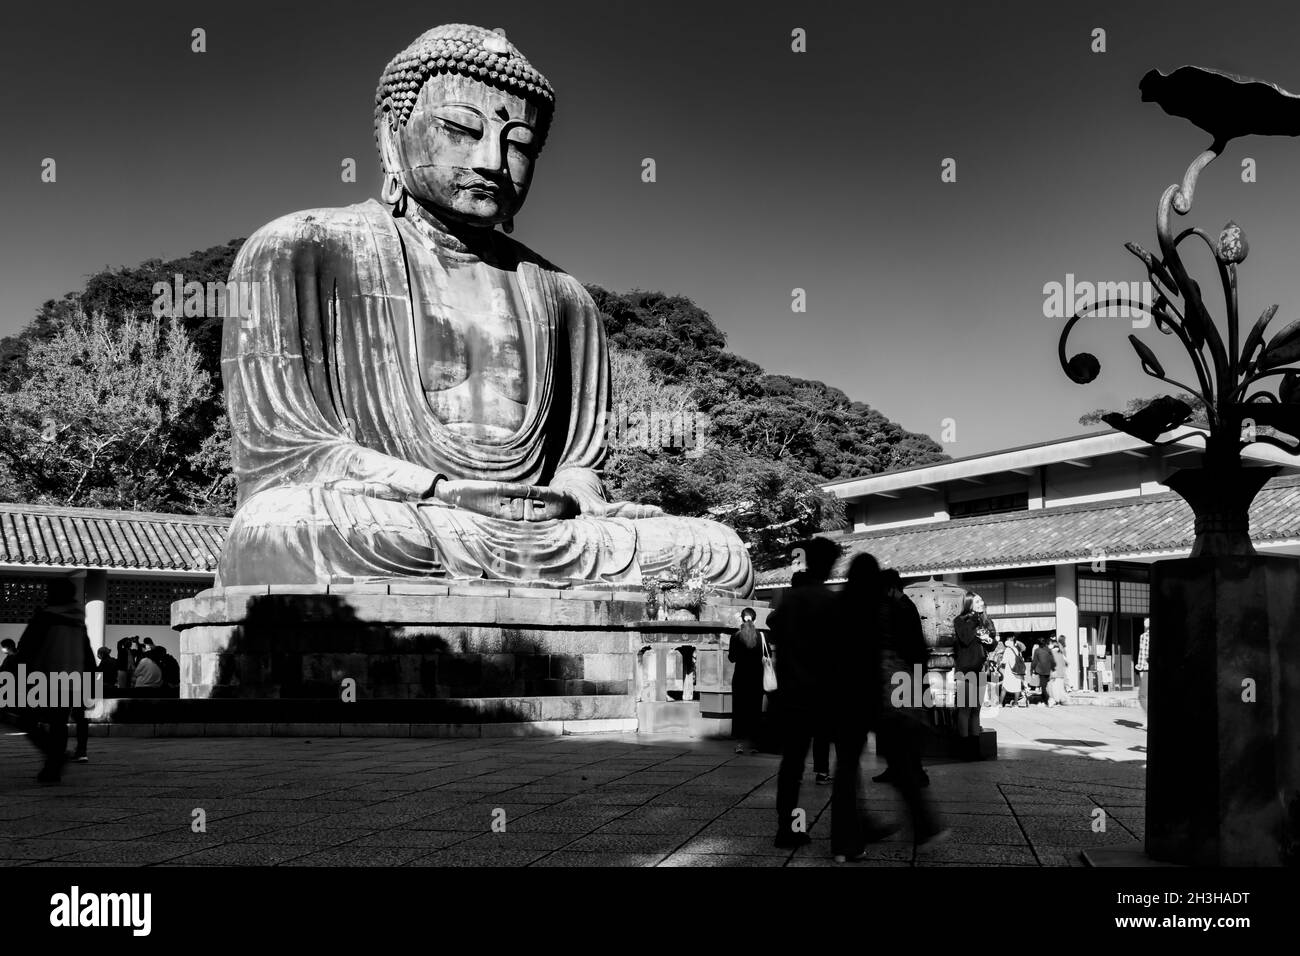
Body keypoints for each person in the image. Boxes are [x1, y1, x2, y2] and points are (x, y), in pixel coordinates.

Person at [767, 537, 859, 850]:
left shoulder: (788, 603)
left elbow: (776, 629)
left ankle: (788, 826)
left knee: (792, 767)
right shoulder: (829, 601)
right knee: (846, 761)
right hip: (825, 694)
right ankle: (849, 831)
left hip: (792, 692)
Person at [12, 579, 96, 782]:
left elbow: (26, 649)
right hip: (72, 679)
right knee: (59, 724)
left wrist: (16, 675)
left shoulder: (45, 617)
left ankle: (55, 756)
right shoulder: (78, 621)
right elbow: (87, 653)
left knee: (26, 719)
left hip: (44, 677)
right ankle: (53, 767)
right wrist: (90, 681)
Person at [952, 592, 996, 758]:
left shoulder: (986, 620)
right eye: (977, 601)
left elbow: (993, 644)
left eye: (982, 600)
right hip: (965, 669)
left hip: (980, 669)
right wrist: (975, 622)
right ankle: (965, 749)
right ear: (969, 603)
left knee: (976, 709)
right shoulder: (961, 620)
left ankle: (975, 749)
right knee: (965, 709)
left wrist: (989, 640)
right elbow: (965, 639)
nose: (981, 603)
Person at [728, 608, 764, 754]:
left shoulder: (735, 636)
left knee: (739, 710)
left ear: (741, 619)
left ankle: (740, 743)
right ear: (754, 619)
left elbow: (732, 658)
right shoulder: (762, 636)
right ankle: (754, 744)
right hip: (756, 678)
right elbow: (765, 654)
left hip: (740, 678)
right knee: (755, 710)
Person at [1031, 637, 1055, 706]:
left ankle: (1049, 700)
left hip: (1041, 670)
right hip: (1048, 670)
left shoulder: (1037, 650)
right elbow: (1052, 660)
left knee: (1043, 687)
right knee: (1044, 686)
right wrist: (1053, 668)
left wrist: (1032, 669)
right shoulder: (1048, 650)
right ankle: (1044, 702)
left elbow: (1034, 661)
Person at [1050, 636, 1070, 706]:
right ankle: (1061, 700)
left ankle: (1057, 701)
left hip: (1055, 673)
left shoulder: (1051, 653)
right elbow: (1067, 662)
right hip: (1061, 673)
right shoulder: (1061, 652)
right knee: (1060, 688)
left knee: (1055, 688)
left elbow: (1050, 663)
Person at [1136, 617, 1150, 714]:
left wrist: (1140, 668)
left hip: (1147, 669)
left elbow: (1143, 654)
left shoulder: (1145, 636)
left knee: (1142, 695)